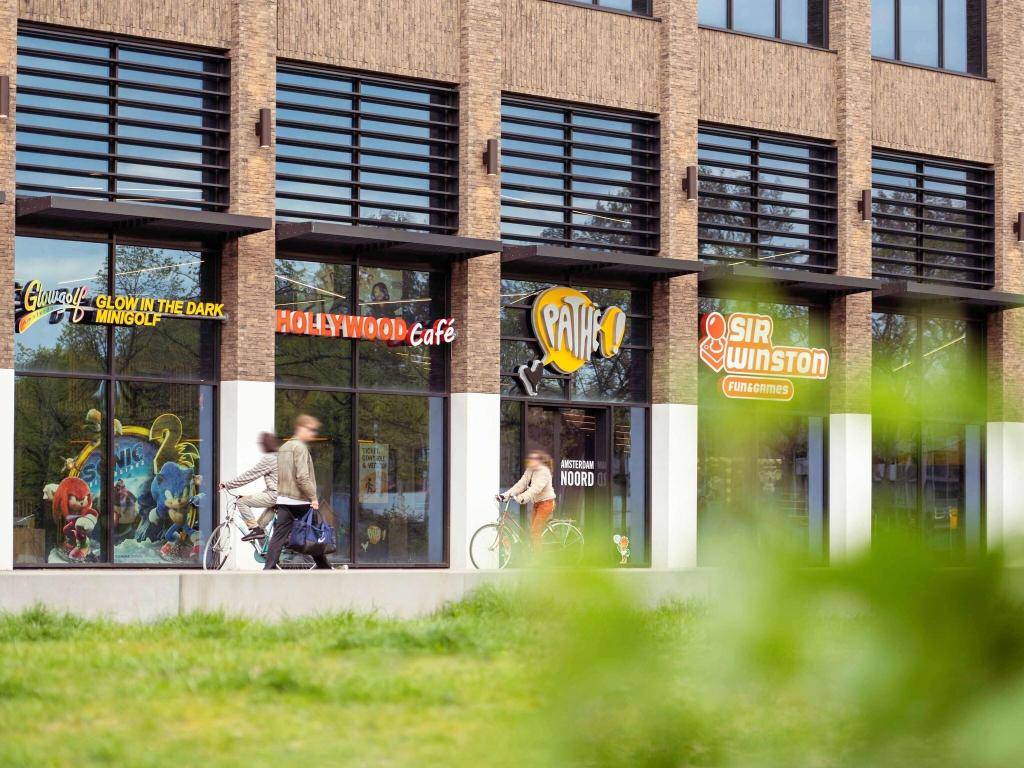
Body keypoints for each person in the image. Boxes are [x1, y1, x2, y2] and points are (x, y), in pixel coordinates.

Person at [263, 414, 331, 570]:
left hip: (284, 499)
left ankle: (268, 569)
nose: (313, 433)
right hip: (300, 500)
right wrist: (313, 497)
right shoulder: (300, 448)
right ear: (301, 428)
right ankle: (325, 568)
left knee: (278, 536)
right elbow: (302, 477)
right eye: (311, 429)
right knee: (314, 533)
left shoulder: (283, 448)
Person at [218, 432, 279, 542]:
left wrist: (228, 485)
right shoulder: (279, 456)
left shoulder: (269, 459)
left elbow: (250, 475)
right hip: (282, 497)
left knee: (241, 502)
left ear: (265, 444)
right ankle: (268, 549)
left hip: (274, 496)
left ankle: (256, 531)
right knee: (260, 527)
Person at [498, 450, 557, 546]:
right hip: (537, 503)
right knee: (533, 531)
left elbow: (536, 488)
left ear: (540, 461)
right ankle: (534, 550)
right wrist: (505, 495)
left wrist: (523, 497)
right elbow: (521, 484)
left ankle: (538, 555)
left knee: (535, 531)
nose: (531, 460)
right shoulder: (530, 470)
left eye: (534, 458)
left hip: (546, 503)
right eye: (530, 458)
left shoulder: (544, 471)